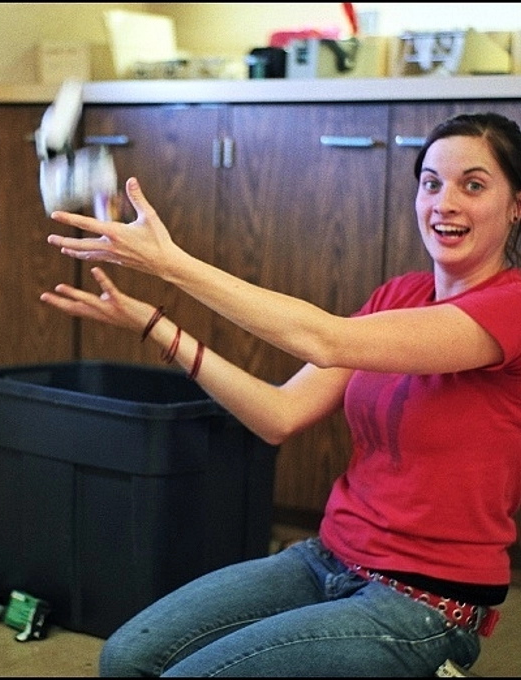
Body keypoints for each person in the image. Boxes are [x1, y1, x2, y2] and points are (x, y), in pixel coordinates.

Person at [40, 112, 521, 677]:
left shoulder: (511, 306)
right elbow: (280, 413)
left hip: (425, 602)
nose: (445, 203)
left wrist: (172, 264)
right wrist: (157, 327)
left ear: (516, 205)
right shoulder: (399, 295)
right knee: (125, 659)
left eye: (473, 185)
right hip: (329, 559)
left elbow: (323, 339)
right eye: (431, 183)